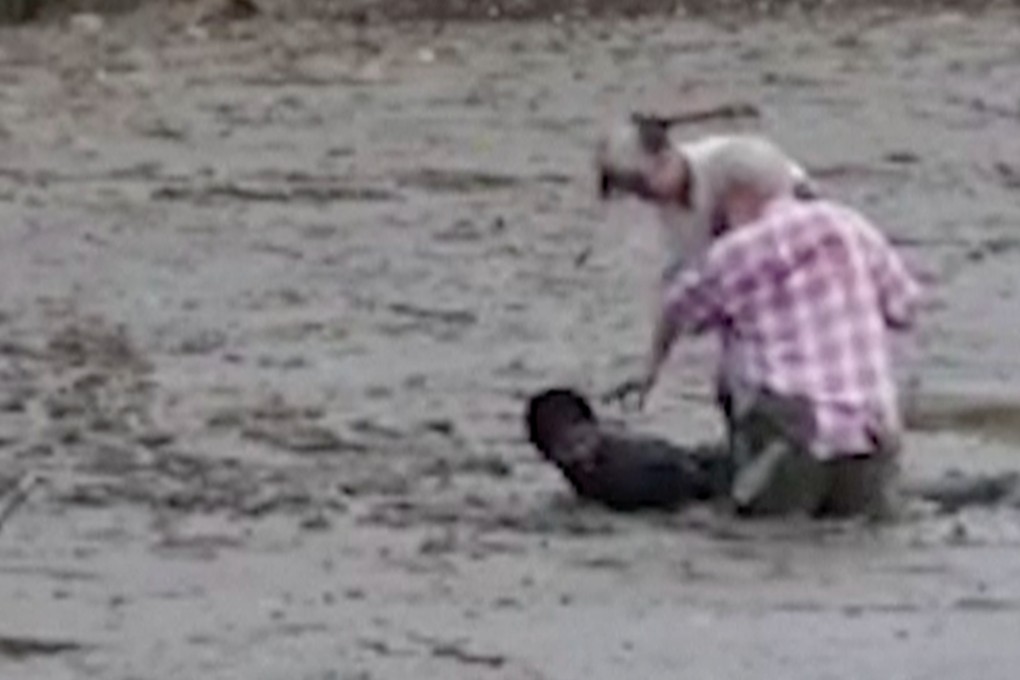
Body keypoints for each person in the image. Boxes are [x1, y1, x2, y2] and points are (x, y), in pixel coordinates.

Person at [601, 139, 923, 518]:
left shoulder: (733, 254)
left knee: (764, 540)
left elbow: (680, 309)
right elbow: (906, 307)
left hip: (792, 430)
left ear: (736, 197)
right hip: (870, 429)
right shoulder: (853, 227)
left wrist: (651, 369)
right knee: (861, 535)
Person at [525, 387, 732, 511]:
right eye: (571, 444)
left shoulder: (612, 472)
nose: (581, 455)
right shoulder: (611, 453)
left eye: (580, 441)